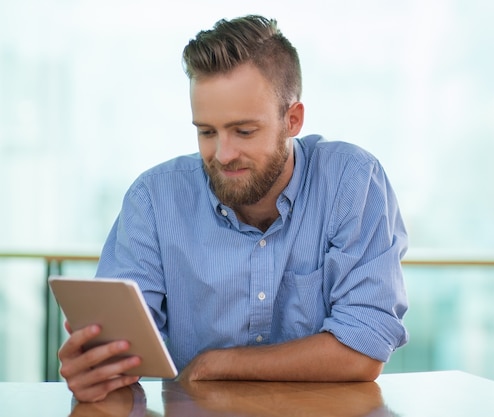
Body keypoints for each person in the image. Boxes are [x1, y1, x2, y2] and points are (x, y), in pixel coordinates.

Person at [58, 14, 409, 403]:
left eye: (244, 131)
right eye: (207, 132)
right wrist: (96, 368)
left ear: (292, 120)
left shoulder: (352, 182)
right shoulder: (154, 200)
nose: (223, 155)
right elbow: (119, 351)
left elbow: (363, 348)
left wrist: (216, 366)